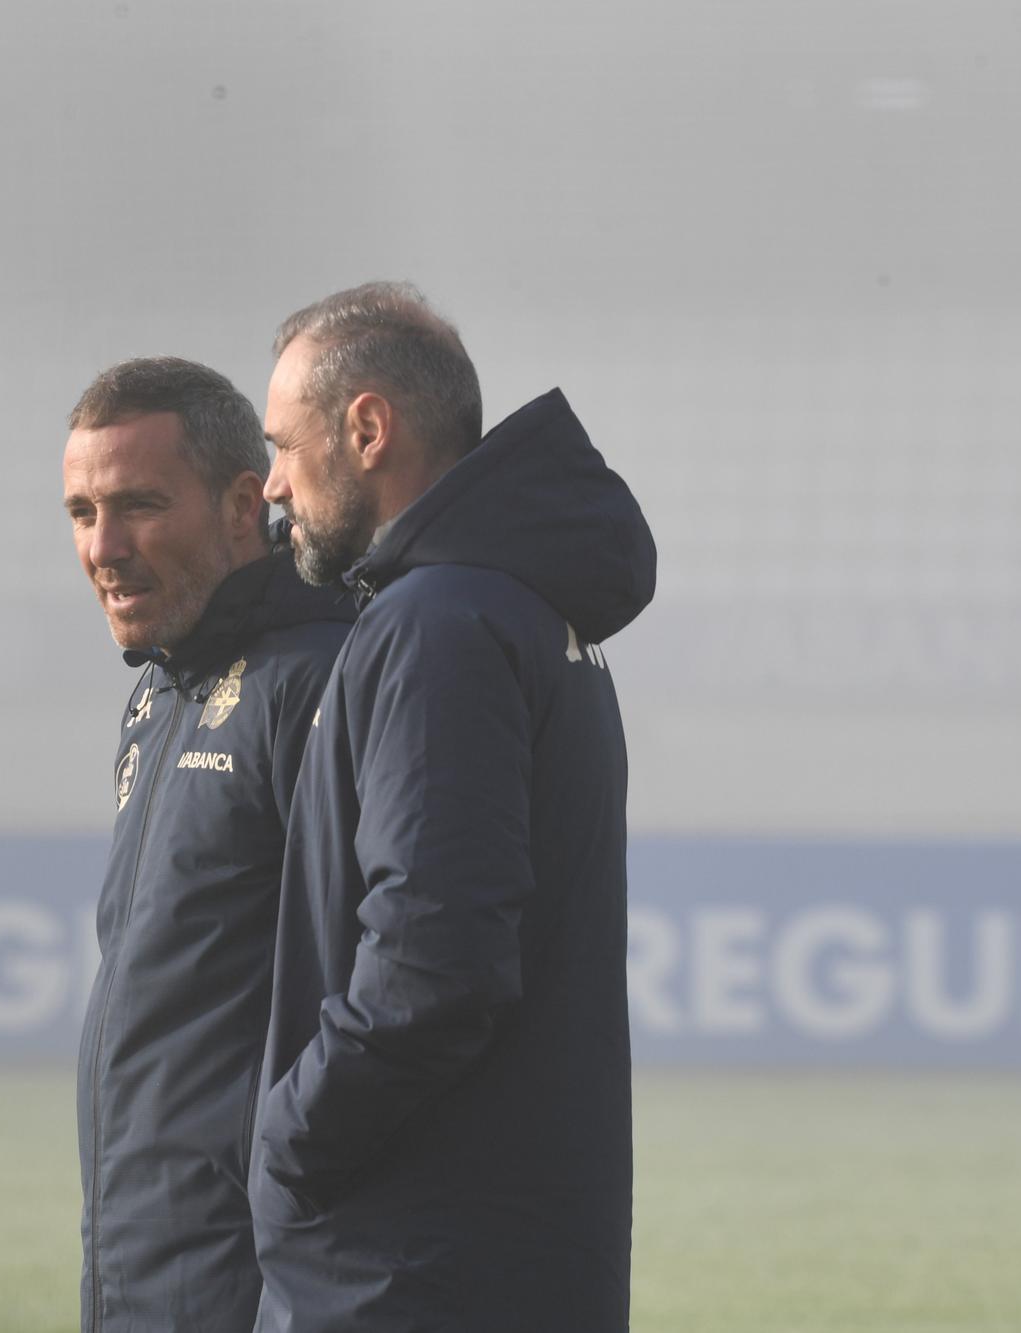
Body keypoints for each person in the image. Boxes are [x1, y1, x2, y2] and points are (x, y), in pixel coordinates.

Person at [249, 283, 657, 1331]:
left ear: (367, 428)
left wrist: (288, 1139)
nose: (270, 486)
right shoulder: (517, 611)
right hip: (494, 1260)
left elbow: (435, 959)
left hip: (408, 1275)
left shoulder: (434, 625)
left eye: (283, 447)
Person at [62, 357, 356, 1333]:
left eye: (138, 505)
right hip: (137, 1261)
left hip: (255, 1273)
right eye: (80, 512)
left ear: (242, 506)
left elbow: (386, 983)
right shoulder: (157, 692)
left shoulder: (321, 680)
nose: (104, 546)